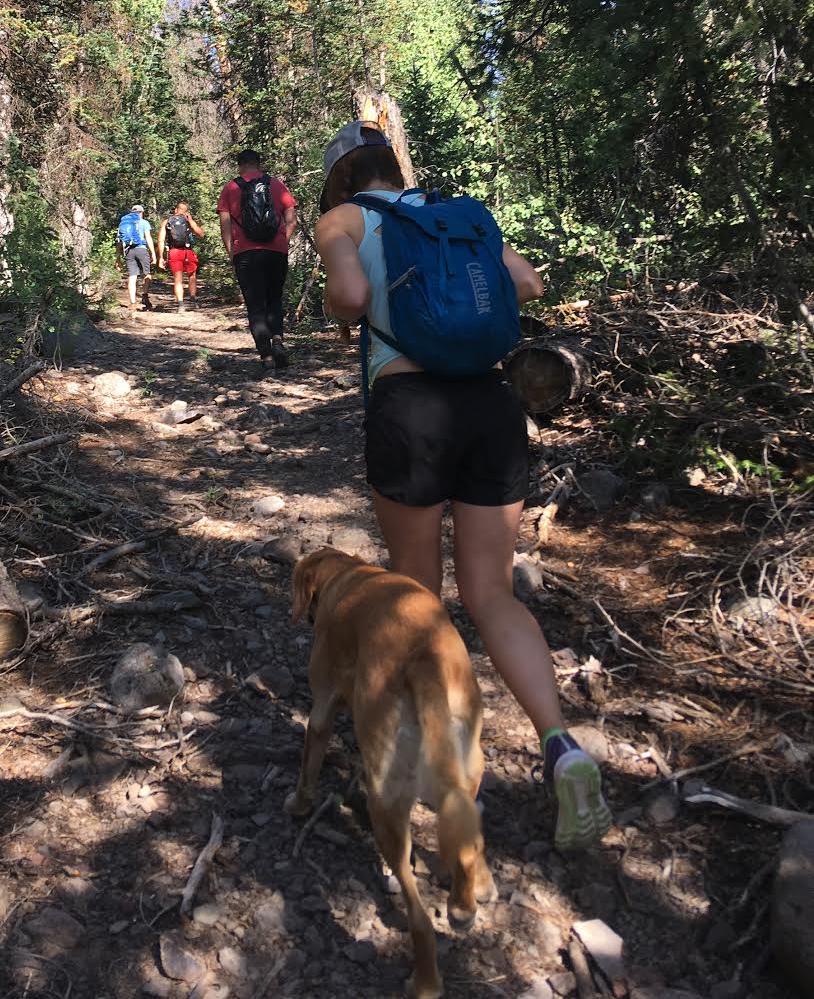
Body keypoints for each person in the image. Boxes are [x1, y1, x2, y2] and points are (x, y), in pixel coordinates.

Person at [314, 121, 612, 851]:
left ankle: (439, 760)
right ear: (397, 167)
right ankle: (561, 748)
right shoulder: (461, 213)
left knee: (416, 597)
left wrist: (336, 306)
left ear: (345, 179)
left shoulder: (344, 219)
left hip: (408, 409)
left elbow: (350, 295)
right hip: (491, 405)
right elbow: (528, 284)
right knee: (494, 595)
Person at [217, 150, 297, 374]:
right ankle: (278, 339)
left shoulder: (231, 188)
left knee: (255, 304)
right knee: (274, 298)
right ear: (259, 165)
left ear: (240, 166)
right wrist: (281, 241)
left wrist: (232, 252)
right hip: (276, 252)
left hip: (246, 254)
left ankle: (267, 356)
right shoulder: (277, 185)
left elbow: (225, 226)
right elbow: (292, 220)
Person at [157, 200, 205, 312]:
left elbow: (161, 240)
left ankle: (180, 304)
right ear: (186, 211)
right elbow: (201, 233)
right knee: (192, 276)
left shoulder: (167, 221)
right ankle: (193, 300)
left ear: (175, 210)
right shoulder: (188, 220)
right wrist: (191, 221)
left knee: (178, 279)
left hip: (174, 252)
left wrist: (161, 257)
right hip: (188, 251)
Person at [117, 203, 155, 315]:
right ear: (142, 213)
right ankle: (144, 296)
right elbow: (148, 237)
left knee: (132, 276)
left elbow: (119, 242)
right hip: (142, 249)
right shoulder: (144, 223)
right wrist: (153, 253)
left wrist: (118, 258)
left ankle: (132, 302)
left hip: (128, 251)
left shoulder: (124, 223)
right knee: (147, 274)